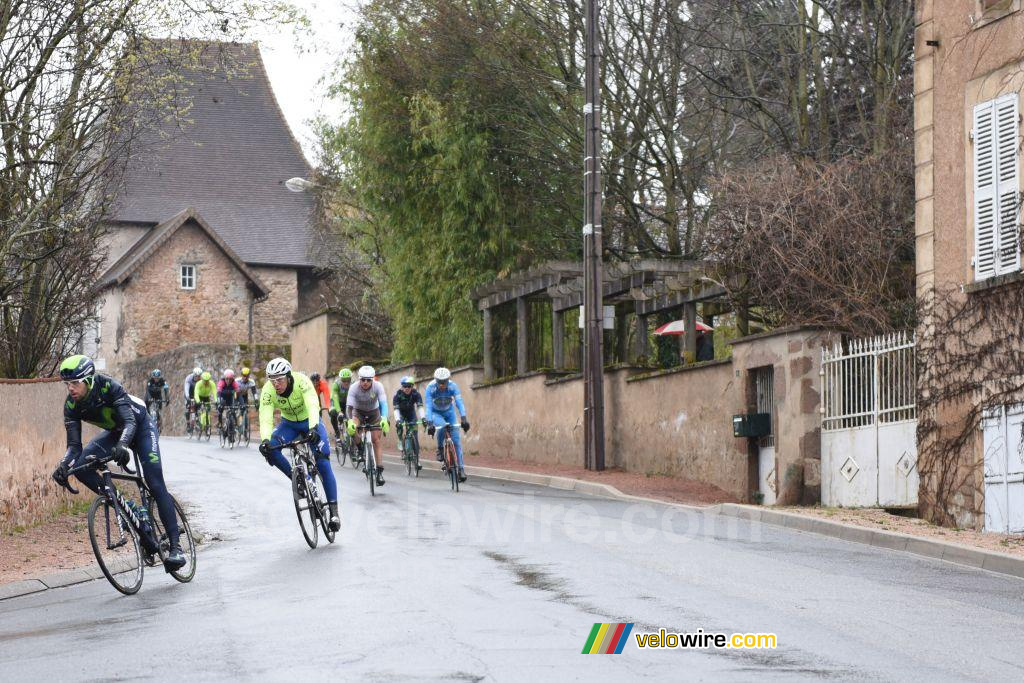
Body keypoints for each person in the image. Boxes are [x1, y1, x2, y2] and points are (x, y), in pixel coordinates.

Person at [51, 355, 186, 570]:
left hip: (140, 427)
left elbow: (130, 421)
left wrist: (123, 445)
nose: (71, 389)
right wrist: (64, 465)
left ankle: (176, 548)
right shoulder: (71, 406)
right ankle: (131, 510)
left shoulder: (108, 386)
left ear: (88, 380)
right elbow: (74, 447)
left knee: (155, 482)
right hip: (115, 432)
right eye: (67, 384)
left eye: (75, 383)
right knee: (81, 467)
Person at [258, 358, 340, 531]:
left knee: (323, 461)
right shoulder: (268, 391)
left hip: (309, 421)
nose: (276, 384)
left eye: (279, 379)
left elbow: (312, 405)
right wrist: (265, 439)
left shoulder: (302, 382)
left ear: (288, 377)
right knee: (271, 450)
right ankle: (298, 481)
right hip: (288, 425)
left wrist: (313, 428)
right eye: (272, 380)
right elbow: (265, 416)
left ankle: (334, 512)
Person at [345, 365, 389, 487]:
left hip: (374, 413)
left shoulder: (378, 386)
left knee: (376, 440)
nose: (365, 382)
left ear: (372, 379)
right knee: (353, 428)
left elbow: (384, 404)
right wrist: (349, 422)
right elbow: (349, 408)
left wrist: (384, 418)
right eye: (363, 379)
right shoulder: (354, 388)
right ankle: (360, 448)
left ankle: (379, 471)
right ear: (359, 379)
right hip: (358, 412)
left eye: (368, 380)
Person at [424, 367, 470, 482]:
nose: (442, 385)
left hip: (449, 413)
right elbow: (428, 406)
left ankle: (461, 469)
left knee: (457, 441)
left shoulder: (453, 386)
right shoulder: (430, 388)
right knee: (442, 427)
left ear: (448, 380)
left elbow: (459, 402)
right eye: (439, 382)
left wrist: (464, 418)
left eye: (444, 382)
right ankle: (440, 449)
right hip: (436, 414)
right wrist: (429, 422)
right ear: (436, 380)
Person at [392, 376, 425, 470]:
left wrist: (423, 418)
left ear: (412, 387)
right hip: (401, 414)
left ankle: (417, 460)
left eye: (409, 386)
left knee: (415, 434)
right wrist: (398, 420)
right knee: (400, 427)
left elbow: (420, 407)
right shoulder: (397, 395)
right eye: (405, 386)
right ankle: (400, 440)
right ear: (402, 387)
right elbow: (396, 410)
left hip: (411, 413)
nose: (407, 388)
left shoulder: (416, 394)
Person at [329, 368, 353, 441]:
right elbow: (335, 400)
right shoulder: (336, 385)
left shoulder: (353, 385)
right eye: (343, 380)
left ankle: (350, 435)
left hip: (347, 403)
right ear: (340, 379)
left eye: (348, 380)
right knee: (333, 412)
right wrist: (339, 412)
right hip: (336, 402)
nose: (346, 383)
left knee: (349, 417)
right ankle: (337, 433)